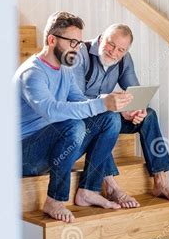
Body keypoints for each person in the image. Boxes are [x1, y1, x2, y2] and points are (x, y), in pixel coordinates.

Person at [14, 12, 133, 223]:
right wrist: (101, 103)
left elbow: (79, 100)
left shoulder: (65, 70)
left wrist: (108, 102)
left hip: (56, 149)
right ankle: (55, 199)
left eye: (78, 42)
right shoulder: (32, 73)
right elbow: (52, 110)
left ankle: (88, 189)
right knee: (73, 126)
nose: (77, 48)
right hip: (25, 154)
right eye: (72, 42)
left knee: (109, 119)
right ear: (52, 40)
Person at [72, 23, 169, 209]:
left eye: (121, 49)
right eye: (110, 44)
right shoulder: (80, 54)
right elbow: (74, 98)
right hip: (81, 119)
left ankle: (161, 182)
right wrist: (113, 107)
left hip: (109, 115)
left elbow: (136, 94)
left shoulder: (124, 60)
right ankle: (112, 187)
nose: (114, 52)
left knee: (149, 115)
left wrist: (138, 110)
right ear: (101, 38)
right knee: (109, 119)